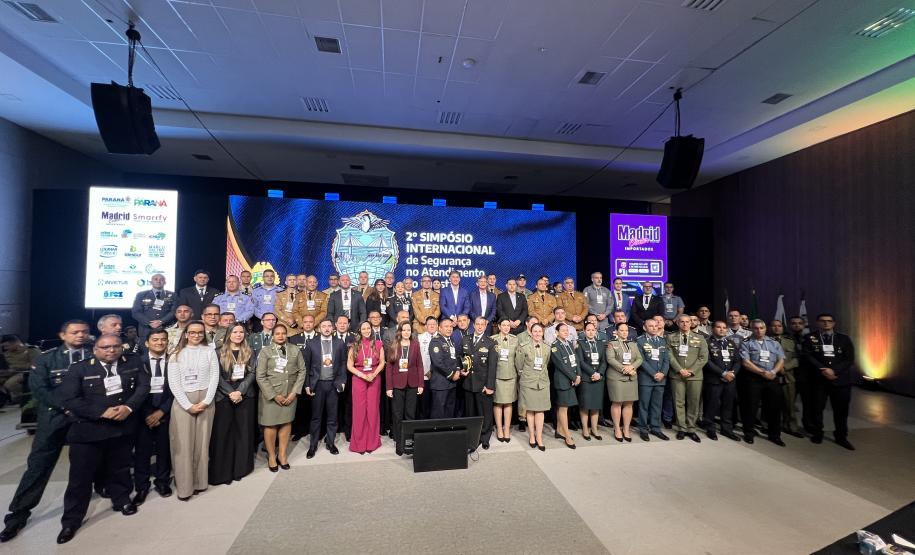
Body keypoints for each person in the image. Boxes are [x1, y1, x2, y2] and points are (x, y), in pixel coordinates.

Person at [0, 321, 90, 543]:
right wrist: (68, 407)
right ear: (62, 335)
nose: (80, 335)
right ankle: (17, 516)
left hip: (83, 420)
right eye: (74, 332)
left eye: (84, 332)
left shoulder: (93, 355)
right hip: (53, 419)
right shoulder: (46, 358)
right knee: (38, 467)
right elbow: (39, 389)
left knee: (83, 469)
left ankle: (72, 518)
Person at [56, 334, 150, 544]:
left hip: (122, 427)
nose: (111, 350)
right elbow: (70, 399)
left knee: (121, 467)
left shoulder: (132, 362)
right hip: (89, 431)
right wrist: (102, 412)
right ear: (95, 349)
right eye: (105, 347)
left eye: (116, 346)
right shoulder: (80, 368)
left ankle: (122, 500)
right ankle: (71, 520)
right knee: (80, 478)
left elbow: (143, 387)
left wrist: (128, 407)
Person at [168, 321, 220, 500]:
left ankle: (200, 482)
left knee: (202, 444)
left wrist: (206, 401)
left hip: (206, 399)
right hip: (184, 401)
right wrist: (188, 405)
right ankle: (185, 487)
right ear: (186, 334)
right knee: (183, 446)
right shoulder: (176, 354)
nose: (196, 335)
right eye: (192, 332)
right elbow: (174, 383)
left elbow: (215, 376)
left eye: (200, 332)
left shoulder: (209, 351)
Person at [209, 324, 256, 485]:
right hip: (224, 396)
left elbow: (252, 373)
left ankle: (240, 469)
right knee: (224, 434)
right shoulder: (218, 352)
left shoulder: (249, 351)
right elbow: (217, 376)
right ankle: (224, 472)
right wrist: (230, 392)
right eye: (235, 332)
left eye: (241, 332)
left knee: (243, 433)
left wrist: (240, 391)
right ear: (229, 334)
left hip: (245, 397)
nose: (238, 334)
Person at [801, 313, 855, 450]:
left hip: (840, 380)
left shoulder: (843, 339)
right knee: (817, 409)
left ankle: (841, 436)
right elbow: (807, 356)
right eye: (822, 321)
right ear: (817, 323)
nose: (826, 323)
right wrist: (823, 369)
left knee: (841, 411)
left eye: (829, 321)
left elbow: (849, 359)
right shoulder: (809, 338)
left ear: (834, 323)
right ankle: (817, 433)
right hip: (818, 380)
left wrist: (834, 371)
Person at [132, 329, 173, 506]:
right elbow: (133, 392)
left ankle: (162, 482)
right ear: (147, 343)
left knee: (165, 450)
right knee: (142, 452)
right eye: (155, 340)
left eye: (163, 340)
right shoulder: (137, 363)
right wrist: (147, 413)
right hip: (143, 414)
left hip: (166, 411)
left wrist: (162, 411)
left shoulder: (174, 361)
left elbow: (176, 389)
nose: (159, 343)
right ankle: (141, 486)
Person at [256, 324, 306, 469]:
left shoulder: (294, 349)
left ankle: (282, 455)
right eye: (277, 333)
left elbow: (302, 371)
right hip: (271, 396)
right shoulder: (265, 351)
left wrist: (294, 393)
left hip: (289, 394)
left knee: (286, 423)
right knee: (270, 425)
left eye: (283, 333)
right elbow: (260, 376)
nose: (280, 336)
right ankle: (271, 455)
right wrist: (273, 395)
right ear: (273, 336)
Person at [738, 319, 786, 446]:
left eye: (761, 328)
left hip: (772, 377)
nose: (759, 330)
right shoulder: (746, 342)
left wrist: (774, 372)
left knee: (774, 407)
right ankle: (749, 433)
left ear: (765, 329)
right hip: (753, 378)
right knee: (750, 407)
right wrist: (761, 373)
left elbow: (781, 359)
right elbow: (746, 362)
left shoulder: (774, 343)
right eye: (756, 328)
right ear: (751, 329)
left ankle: (774, 434)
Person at [667, 314, 709, 442]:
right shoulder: (670, 337)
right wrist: (680, 370)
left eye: (687, 322)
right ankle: (682, 428)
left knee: (694, 402)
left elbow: (703, 357)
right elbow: (669, 355)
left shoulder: (700, 338)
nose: (685, 324)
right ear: (678, 323)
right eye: (682, 322)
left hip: (695, 376)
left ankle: (691, 428)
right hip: (677, 375)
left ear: (691, 323)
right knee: (678, 402)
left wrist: (691, 371)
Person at [385, 322, 424, 455]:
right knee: (397, 415)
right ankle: (398, 442)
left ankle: (409, 441)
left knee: (410, 414)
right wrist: (389, 387)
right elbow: (389, 367)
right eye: (404, 330)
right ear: (400, 331)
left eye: (409, 330)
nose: (406, 332)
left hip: (412, 384)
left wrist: (420, 384)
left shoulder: (415, 345)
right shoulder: (393, 345)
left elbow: (420, 365)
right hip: (397, 385)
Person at [346, 321, 384, 454]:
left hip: (374, 378)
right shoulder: (354, 345)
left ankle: (372, 443)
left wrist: (373, 374)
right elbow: (349, 366)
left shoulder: (378, 344)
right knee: (359, 411)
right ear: (360, 331)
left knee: (373, 411)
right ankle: (359, 444)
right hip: (359, 378)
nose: (367, 330)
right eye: (364, 328)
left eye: (368, 328)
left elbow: (382, 362)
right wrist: (362, 375)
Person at [462, 317, 497, 450]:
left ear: (486, 325)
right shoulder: (466, 339)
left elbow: (493, 367)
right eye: (477, 324)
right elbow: (462, 358)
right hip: (468, 383)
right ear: (473, 325)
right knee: (470, 413)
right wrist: (461, 370)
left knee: (485, 413)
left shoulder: (490, 342)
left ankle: (485, 437)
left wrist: (490, 386)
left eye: (482, 324)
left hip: (483, 385)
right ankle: (472, 438)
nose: (480, 326)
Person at [702, 321, 741, 441]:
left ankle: (727, 429)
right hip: (714, 379)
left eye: (724, 328)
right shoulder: (706, 342)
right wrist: (722, 373)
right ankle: (710, 428)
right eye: (719, 327)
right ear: (712, 329)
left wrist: (732, 373)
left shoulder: (731, 342)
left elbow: (737, 361)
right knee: (711, 405)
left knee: (728, 405)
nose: (722, 330)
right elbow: (707, 361)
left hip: (730, 380)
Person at [605, 323, 642, 442]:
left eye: (626, 330)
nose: (625, 332)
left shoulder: (633, 344)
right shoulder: (612, 344)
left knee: (629, 404)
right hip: (616, 377)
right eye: (622, 330)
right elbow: (610, 359)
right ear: (616, 332)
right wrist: (624, 368)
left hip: (631, 377)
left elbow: (640, 359)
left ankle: (626, 429)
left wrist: (632, 367)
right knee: (617, 403)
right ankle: (617, 429)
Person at [516, 323, 550, 450]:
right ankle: (531, 436)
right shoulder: (524, 347)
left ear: (543, 333)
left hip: (542, 382)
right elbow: (519, 365)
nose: (537, 334)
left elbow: (547, 363)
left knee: (540, 411)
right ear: (530, 332)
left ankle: (539, 437)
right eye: (534, 331)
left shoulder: (547, 347)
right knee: (530, 410)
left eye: (539, 331)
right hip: (528, 382)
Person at [635, 319, 670, 441]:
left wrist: (663, 373)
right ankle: (643, 429)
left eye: (656, 326)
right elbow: (641, 360)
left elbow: (666, 359)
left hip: (660, 379)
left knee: (657, 405)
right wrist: (654, 373)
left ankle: (656, 428)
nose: (654, 328)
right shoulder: (640, 341)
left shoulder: (662, 341)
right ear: (645, 328)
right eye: (651, 326)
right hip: (646, 379)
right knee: (644, 405)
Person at [770, 319, 804, 438]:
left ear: (783, 327)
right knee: (770, 404)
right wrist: (776, 369)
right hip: (771, 375)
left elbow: (796, 359)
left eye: (779, 326)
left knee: (789, 404)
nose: (776, 328)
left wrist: (784, 367)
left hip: (788, 376)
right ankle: (768, 425)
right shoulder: (765, 340)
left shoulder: (790, 341)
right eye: (773, 326)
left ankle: (791, 427)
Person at [550, 323, 580, 449]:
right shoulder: (555, 346)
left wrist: (578, 374)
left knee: (564, 407)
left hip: (572, 379)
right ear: (556, 332)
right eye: (562, 330)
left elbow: (576, 360)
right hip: (563, 380)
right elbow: (561, 365)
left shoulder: (568, 343)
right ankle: (567, 436)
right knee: (563, 408)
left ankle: (559, 431)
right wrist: (574, 377)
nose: (566, 332)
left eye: (567, 330)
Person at [576, 322, 606, 440]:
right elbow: (581, 362)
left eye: (593, 330)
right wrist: (593, 373)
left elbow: (604, 361)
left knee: (596, 405)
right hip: (587, 378)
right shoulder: (580, 344)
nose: (590, 332)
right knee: (585, 405)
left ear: (596, 331)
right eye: (588, 330)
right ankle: (585, 429)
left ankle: (594, 429)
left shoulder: (600, 344)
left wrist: (599, 373)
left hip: (598, 379)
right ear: (584, 331)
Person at [491, 319, 519, 442]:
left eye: (508, 325)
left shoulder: (515, 339)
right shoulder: (492, 339)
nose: (506, 327)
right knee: (498, 402)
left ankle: (506, 428)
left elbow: (518, 358)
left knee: (508, 403)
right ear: (499, 326)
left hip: (511, 375)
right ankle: (499, 428)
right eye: (504, 325)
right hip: (497, 375)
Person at [428, 317, 461, 418]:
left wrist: (459, 370)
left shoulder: (451, 340)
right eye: (446, 326)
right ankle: (437, 433)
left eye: (451, 326)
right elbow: (438, 362)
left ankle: (447, 433)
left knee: (449, 411)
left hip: (451, 384)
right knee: (439, 412)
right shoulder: (435, 342)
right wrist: (452, 374)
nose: (449, 328)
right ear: (439, 328)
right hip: (440, 384)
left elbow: (455, 358)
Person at [131, 273, 176, 340]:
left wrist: (161, 321)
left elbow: (174, 311)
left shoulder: (173, 295)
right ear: (151, 282)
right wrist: (149, 323)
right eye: (156, 279)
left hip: (166, 328)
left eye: (161, 279)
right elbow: (136, 312)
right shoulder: (141, 295)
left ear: (165, 282)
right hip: (146, 329)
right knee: (146, 349)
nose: (158, 281)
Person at [0, 335, 40, 406]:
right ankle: (6, 399)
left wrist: (16, 368)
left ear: (16, 342)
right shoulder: (6, 353)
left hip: (26, 372)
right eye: (3, 347)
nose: (5, 348)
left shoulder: (31, 350)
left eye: (7, 346)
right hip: (10, 373)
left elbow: (36, 365)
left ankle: (30, 396)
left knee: (10, 384)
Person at [416, 316, 438, 419]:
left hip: (438, 377)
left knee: (436, 404)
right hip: (424, 376)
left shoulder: (442, 338)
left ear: (437, 325)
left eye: (434, 324)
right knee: (424, 404)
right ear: (425, 326)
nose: (432, 326)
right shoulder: (420, 338)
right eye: (429, 324)